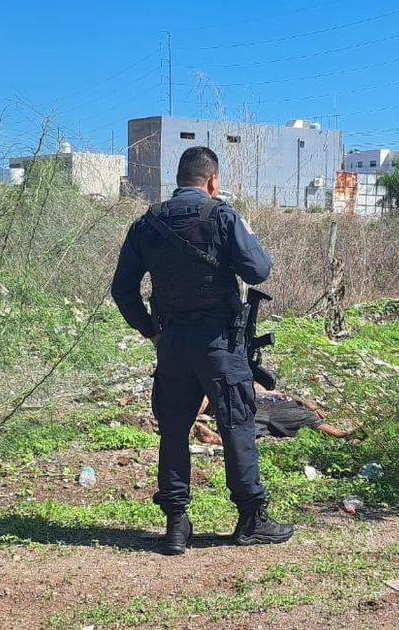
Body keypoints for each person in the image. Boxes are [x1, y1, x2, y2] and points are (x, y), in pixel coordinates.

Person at [111, 146, 294, 555]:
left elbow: (123, 290)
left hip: (173, 344)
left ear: (178, 180)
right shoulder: (223, 216)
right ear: (212, 181)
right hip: (220, 345)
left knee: (174, 430)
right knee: (237, 425)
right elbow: (259, 270)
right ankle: (251, 519)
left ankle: (176, 525)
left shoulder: (147, 223)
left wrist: (151, 332)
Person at [198, 383, 358, 440]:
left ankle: (216, 438)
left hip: (275, 412)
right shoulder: (286, 398)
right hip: (254, 403)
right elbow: (274, 391)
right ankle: (216, 437)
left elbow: (324, 425)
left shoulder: (305, 414)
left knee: (247, 424)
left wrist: (307, 404)